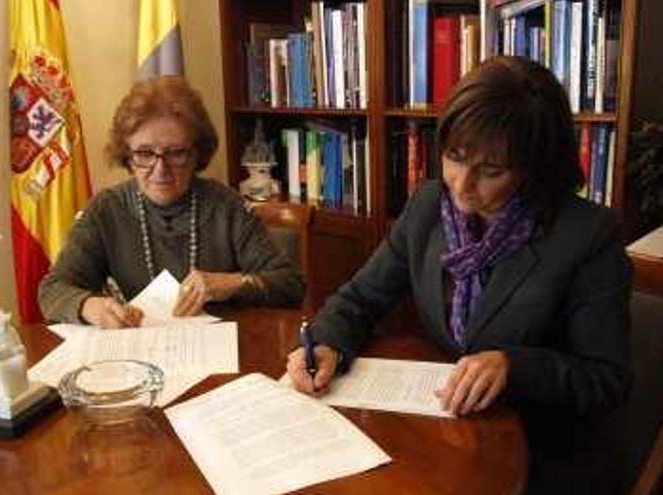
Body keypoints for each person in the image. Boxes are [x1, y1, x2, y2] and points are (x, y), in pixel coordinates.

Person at [285, 56, 632, 491]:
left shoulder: (587, 235)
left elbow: (607, 378)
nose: (461, 185)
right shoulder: (429, 206)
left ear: (535, 168)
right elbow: (360, 298)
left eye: (491, 171)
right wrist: (327, 342)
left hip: (542, 457)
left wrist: (513, 366)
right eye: (454, 157)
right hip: (447, 432)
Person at [39, 77, 305, 327]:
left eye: (176, 153)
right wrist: (90, 306)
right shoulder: (105, 210)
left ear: (196, 154)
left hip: (221, 353)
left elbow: (291, 284)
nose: (160, 169)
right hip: (139, 357)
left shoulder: (227, 206)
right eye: (144, 153)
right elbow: (53, 290)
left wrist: (235, 283)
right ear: (126, 154)